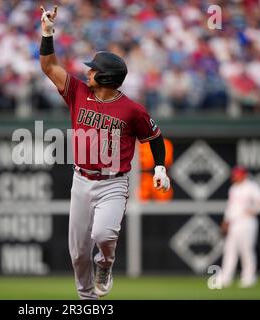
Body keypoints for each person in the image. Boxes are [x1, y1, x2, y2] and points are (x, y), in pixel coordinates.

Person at [39, 5, 170, 299]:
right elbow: (49, 66)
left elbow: (155, 137)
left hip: (113, 182)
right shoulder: (77, 92)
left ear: (107, 78)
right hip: (81, 180)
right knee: (77, 252)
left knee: (102, 236)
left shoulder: (132, 110)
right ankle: (88, 299)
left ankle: (105, 264)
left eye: (94, 69)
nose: (88, 71)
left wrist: (160, 167)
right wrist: (47, 33)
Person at [220, 166, 260, 288]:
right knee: (229, 250)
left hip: (247, 222)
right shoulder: (233, 188)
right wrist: (226, 222)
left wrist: (254, 210)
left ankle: (249, 277)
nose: (235, 176)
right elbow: (230, 207)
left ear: (244, 175)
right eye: (234, 174)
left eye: (237, 174)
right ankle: (226, 278)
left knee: (246, 250)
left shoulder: (251, 187)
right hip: (234, 223)